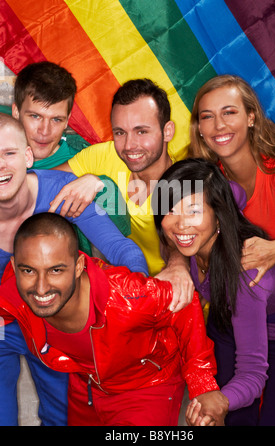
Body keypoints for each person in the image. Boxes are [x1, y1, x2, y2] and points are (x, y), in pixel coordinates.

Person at [0, 212, 229, 426]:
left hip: (145, 387)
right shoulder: (15, 290)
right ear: (14, 267)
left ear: (79, 266)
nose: (41, 287)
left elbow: (185, 307)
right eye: (28, 270)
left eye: (56, 270)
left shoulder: (127, 296)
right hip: (86, 387)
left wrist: (203, 384)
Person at [0, 113, 148, 426]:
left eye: (8, 153)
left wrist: (136, 300)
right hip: (4, 327)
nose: (0, 165)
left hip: (55, 323)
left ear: (28, 156)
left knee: (64, 417)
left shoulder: (63, 190)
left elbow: (121, 249)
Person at [153, 158, 275, 426]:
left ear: (219, 214)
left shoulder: (246, 278)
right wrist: (176, 263)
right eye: (170, 210)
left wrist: (221, 400)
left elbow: (252, 373)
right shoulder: (210, 209)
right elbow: (235, 194)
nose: (180, 225)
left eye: (193, 211)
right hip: (227, 322)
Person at [50, 78, 194, 311]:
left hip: (165, 300)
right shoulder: (102, 157)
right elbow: (41, 188)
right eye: (120, 132)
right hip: (105, 291)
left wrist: (178, 266)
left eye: (141, 131)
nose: (129, 145)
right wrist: (92, 181)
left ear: (167, 131)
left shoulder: (183, 181)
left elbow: (179, 240)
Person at [189, 74, 275, 285]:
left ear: (251, 117)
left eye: (229, 112)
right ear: (200, 129)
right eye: (207, 116)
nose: (219, 125)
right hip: (246, 287)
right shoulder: (205, 177)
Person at [9, 60, 131, 247]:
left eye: (56, 119)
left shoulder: (82, 161)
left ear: (67, 121)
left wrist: (100, 186)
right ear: (16, 111)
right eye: (35, 116)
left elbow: (114, 250)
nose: (44, 130)